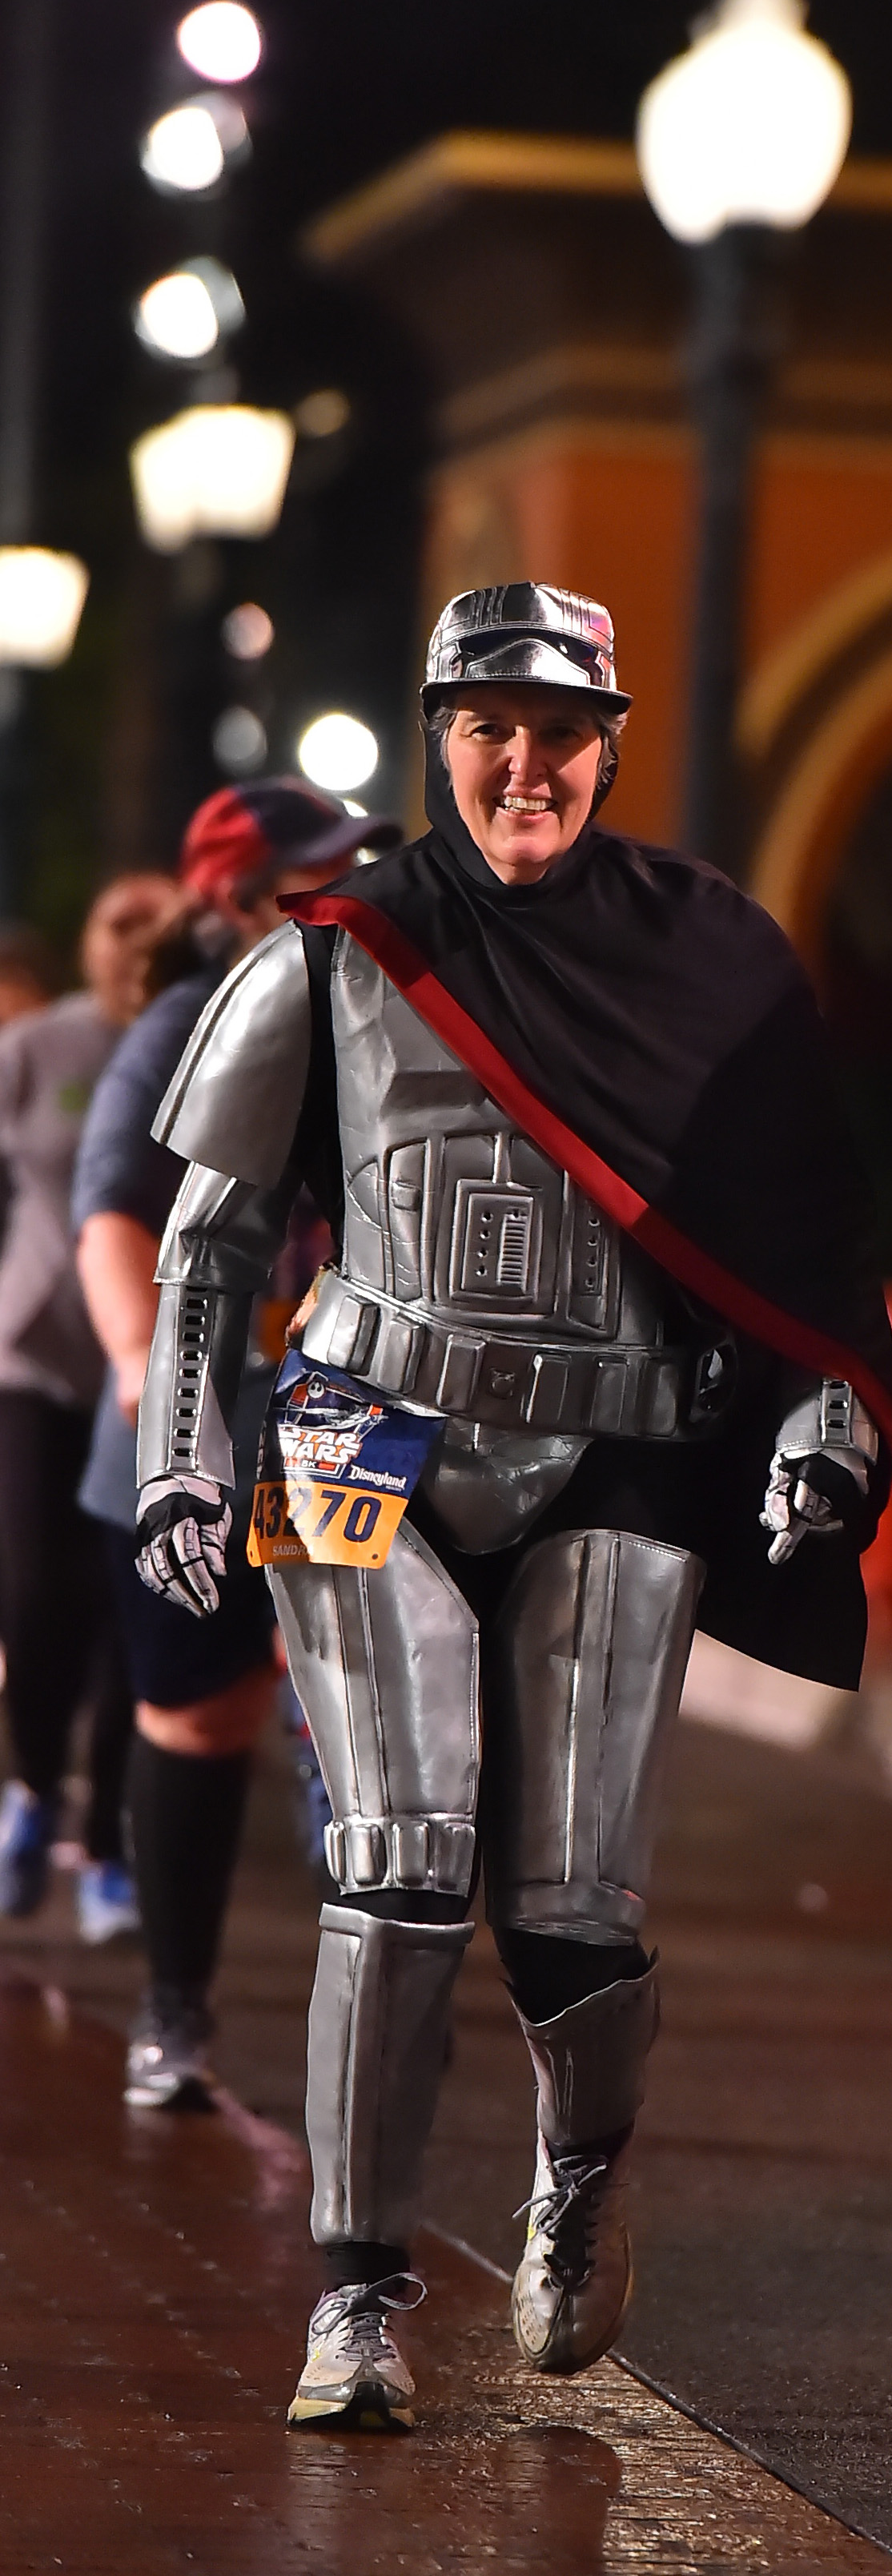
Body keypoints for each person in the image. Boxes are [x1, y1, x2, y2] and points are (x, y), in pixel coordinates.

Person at [131, 584, 892, 2433]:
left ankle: (577, 2173)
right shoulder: (338, 946)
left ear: (610, 743)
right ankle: (359, 2294)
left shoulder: (709, 964)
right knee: (392, 1869)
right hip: (361, 1440)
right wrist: (178, 1451)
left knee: (570, 1896)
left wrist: (825, 1427)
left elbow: (794, 1252)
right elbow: (207, 1247)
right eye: (489, 722)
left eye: (562, 727)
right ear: (438, 733)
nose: (525, 760)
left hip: (616, 1445)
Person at [74, 782, 387, 2106]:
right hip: (201, 1418)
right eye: (313, 875)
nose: (347, 893)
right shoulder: (175, 1030)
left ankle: (373, 2032)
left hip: (340, 1417)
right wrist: (157, 1382)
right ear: (232, 900)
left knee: (362, 1709)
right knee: (196, 1714)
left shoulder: (384, 1019)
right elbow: (112, 1222)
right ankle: (174, 2008)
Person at [0, 874, 180, 1937]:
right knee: (32, 1592)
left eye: (153, 924)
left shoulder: (190, 1041)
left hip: (153, 1367)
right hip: (33, 1359)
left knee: (130, 1604)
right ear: (87, 935)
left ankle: (106, 1840)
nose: (132, 940)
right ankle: (31, 1786)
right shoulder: (35, 1049)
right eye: (116, 918)